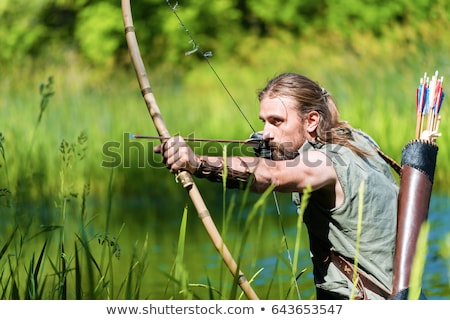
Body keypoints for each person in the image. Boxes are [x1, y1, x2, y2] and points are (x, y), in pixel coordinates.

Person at [154, 72, 399, 300]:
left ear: (312, 120)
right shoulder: (356, 138)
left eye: (277, 121)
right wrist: (276, 152)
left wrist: (198, 163)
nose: (266, 133)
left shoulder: (326, 163)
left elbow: (277, 176)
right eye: (265, 122)